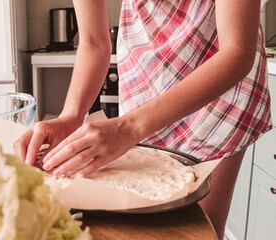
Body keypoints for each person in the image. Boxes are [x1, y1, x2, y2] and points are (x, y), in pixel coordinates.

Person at [14, 0, 272, 239]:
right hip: (144, 79)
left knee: (195, 227)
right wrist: (71, 115)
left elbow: (237, 51)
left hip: (217, 89)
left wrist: (129, 127)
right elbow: (93, 42)